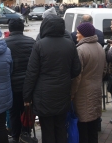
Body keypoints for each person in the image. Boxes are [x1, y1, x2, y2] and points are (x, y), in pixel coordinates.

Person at [23, 14, 81, 143]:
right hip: (63, 92)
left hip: (44, 95)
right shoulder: (70, 44)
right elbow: (77, 70)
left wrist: (27, 96)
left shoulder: (39, 45)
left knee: (47, 129)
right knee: (61, 127)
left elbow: (31, 73)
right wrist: (64, 76)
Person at [71, 22, 105, 143]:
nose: (76, 35)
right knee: (93, 124)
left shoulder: (80, 50)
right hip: (96, 89)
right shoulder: (100, 47)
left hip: (83, 93)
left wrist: (71, 93)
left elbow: (77, 76)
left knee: (83, 126)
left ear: (84, 34)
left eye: (78, 32)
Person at [4, 19, 36, 143]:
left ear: (10, 29)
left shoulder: (4, 43)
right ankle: (26, 134)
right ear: (22, 28)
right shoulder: (32, 42)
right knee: (27, 111)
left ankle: (15, 136)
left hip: (11, 84)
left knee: (13, 112)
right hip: (28, 84)